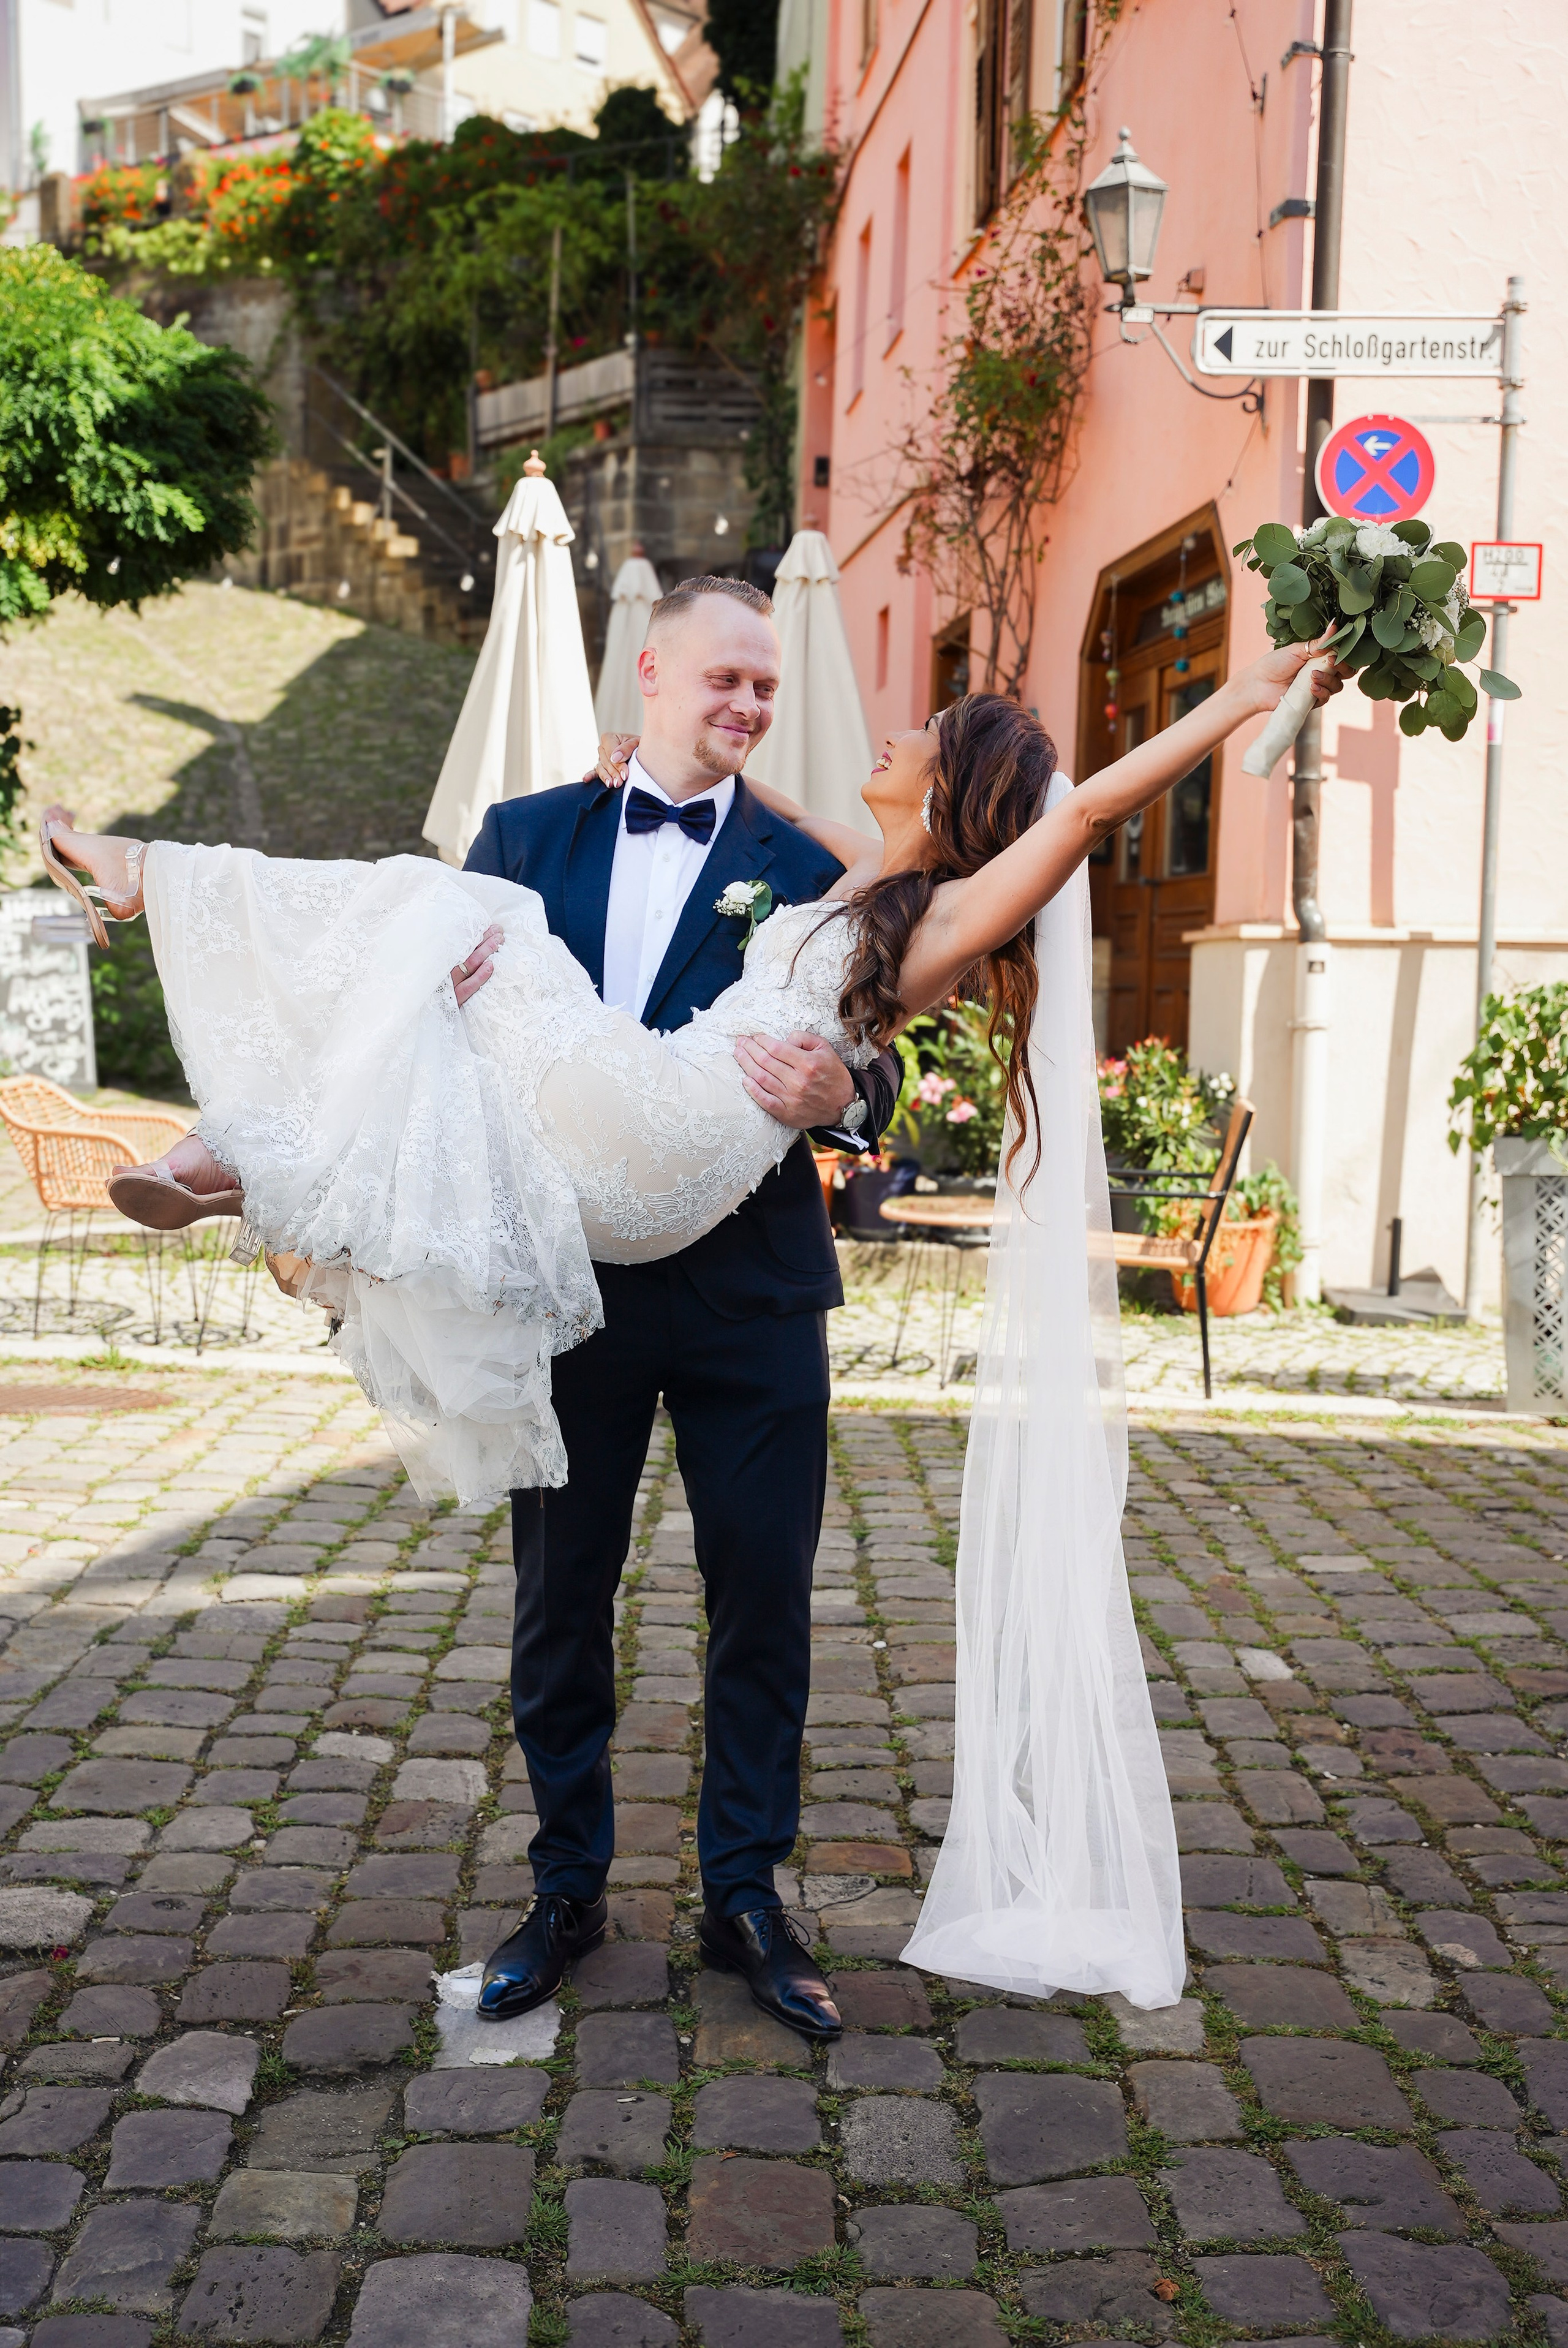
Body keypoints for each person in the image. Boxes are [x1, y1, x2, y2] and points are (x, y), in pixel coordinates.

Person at [40, 619, 1341, 2018]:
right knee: (560, 1599)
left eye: (775, 688)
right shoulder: (648, 837)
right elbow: (442, 1020)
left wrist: (1235, 700)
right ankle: (564, 1888)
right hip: (593, 1233)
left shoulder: (925, 904)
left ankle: (745, 1899)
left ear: (951, 788)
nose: (781, 711)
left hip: (721, 1242)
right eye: (728, 680)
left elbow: (1076, 811)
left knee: (762, 1603)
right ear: (651, 678)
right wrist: (457, 985)